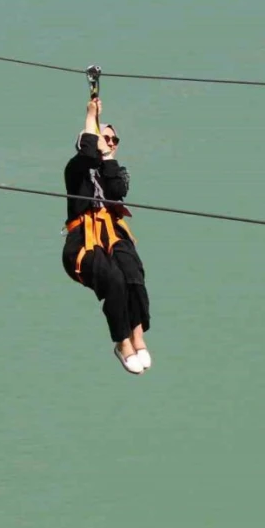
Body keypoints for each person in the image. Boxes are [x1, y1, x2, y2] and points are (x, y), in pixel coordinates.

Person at [62, 97, 152, 375]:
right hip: (83, 241)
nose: (109, 142)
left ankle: (138, 337)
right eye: (105, 137)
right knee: (113, 279)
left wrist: (108, 157)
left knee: (133, 272)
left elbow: (117, 191)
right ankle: (122, 342)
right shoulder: (75, 170)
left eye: (114, 139)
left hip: (113, 233)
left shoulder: (113, 171)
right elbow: (88, 154)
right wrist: (91, 117)